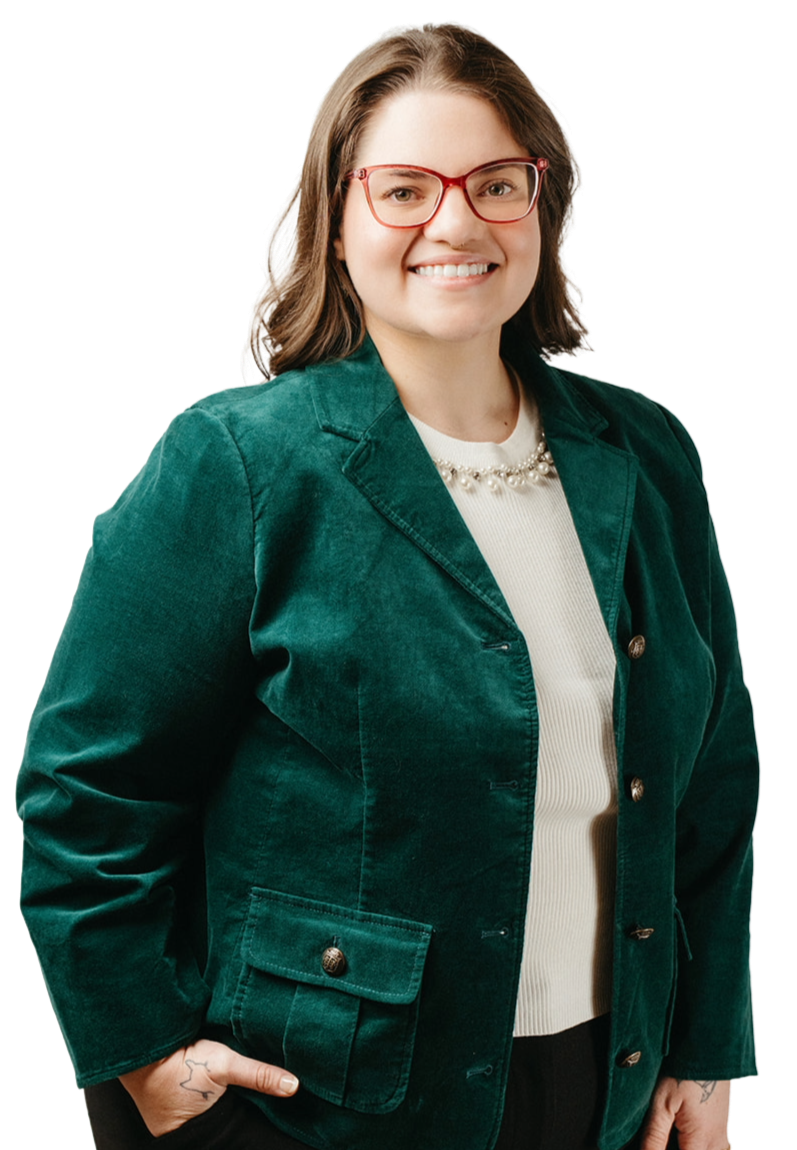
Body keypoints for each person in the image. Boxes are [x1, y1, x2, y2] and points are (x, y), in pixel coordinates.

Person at [15, 20, 758, 1150]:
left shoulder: (646, 453)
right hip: (322, 1107)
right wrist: (146, 1060)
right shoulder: (237, 464)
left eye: (496, 183)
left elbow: (707, 775)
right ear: (338, 215)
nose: (455, 222)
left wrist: (707, 1049)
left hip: (607, 1085)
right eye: (404, 189)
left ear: (542, 207)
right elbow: (86, 796)